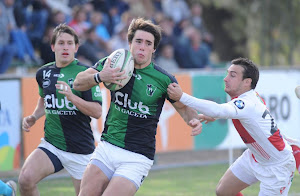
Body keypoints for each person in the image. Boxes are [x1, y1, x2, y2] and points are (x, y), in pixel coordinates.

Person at [73, 17, 203, 196]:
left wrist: (194, 120)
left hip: (137, 156)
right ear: (130, 43)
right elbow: (78, 83)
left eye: (148, 43)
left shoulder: (164, 79)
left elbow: (184, 108)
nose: (142, 46)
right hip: (107, 147)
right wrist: (101, 76)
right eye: (138, 41)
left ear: (154, 49)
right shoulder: (112, 64)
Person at [167, 57, 297, 196]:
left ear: (247, 82)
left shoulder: (247, 103)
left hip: (277, 167)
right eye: (228, 73)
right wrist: (216, 116)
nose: (225, 78)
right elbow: (235, 113)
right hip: (255, 156)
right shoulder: (250, 98)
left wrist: (182, 96)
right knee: (223, 191)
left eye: (232, 75)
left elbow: (219, 109)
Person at [18, 24, 103, 196]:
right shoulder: (43, 73)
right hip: (52, 144)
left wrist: (72, 97)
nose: (65, 47)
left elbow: (97, 111)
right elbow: (44, 99)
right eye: (61, 43)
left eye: (70, 43)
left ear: (76, 47)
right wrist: (35, 116)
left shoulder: (85, 73)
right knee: (25, 180)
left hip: (81, 150)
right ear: (53, 46)